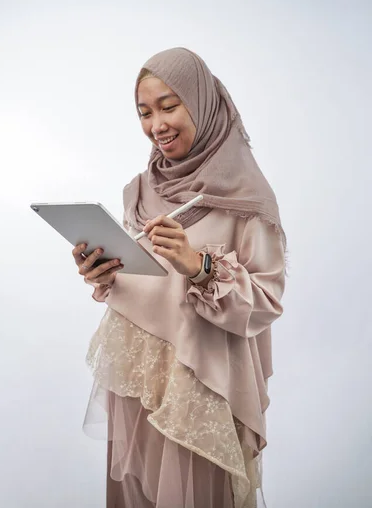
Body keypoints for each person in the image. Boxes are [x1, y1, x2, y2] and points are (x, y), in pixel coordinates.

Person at [72, 47, 286, 508]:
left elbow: (266, 302)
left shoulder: (248, 197)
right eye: (145, 113)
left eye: (170, 106)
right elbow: (143, 280)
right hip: (139, 375)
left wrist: (199, 266)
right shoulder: (142, 187)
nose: (157, 125)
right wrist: (103, 274)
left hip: (199, 383)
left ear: (203, 103)